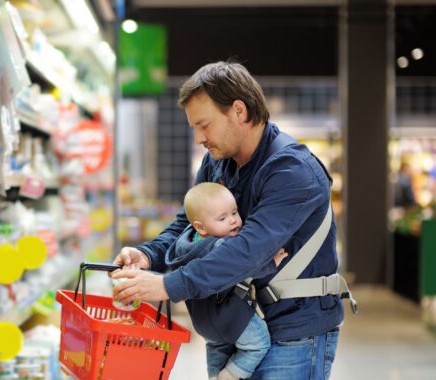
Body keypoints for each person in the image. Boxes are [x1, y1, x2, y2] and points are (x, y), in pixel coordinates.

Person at [112, 61, 348, 379]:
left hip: (293, 333)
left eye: (204, 125)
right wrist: (148, 255)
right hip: (236, 325)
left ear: (238, 110)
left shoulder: (292, 171)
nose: (198, 138)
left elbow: (248, 250)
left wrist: (168, 285)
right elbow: (187, 225)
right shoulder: (218, 163)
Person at [164, 182, 287, 380]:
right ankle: (228, 376)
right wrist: (271, 263)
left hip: (203, 323)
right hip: (231, 317)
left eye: (234, 212)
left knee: (215, 348)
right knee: (258, 345)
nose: (233, 221)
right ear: (200, 227)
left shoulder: (184, 245)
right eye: (222, 218)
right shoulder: (223, 246)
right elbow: (245, 267)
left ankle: (214, 376)